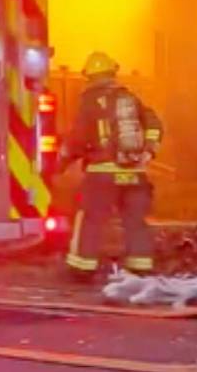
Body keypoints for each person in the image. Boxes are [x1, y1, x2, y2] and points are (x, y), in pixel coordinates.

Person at [61, 51, 162, 280]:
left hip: (102, 173)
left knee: (90, 219)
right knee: (135, 221)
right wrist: (149, 150)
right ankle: (140, 266)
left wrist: (61, 162)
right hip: (135, 173)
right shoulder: (129, 98)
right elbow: (154, 124)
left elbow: (78, 138)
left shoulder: (89, 102)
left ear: (91, 77)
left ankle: (82, 267)